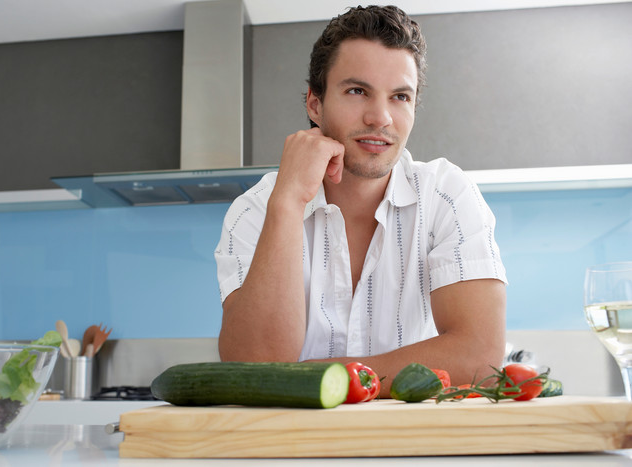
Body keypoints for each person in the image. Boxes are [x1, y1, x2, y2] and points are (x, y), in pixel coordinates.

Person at [214, 5, 507, 397]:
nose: (380, 117)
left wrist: (322, 375)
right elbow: (252, 368)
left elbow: (479, 358)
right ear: (315, 104)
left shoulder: (446, 196)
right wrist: (287, 204)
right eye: (357, 91)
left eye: (400, 96)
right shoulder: (254, 211)